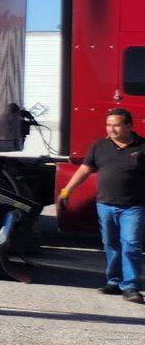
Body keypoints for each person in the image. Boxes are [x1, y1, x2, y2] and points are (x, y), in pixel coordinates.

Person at [58, 107, 145, 304]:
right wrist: (67, 190)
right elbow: (84, 169)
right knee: (111, 245)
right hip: (105, 205)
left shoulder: (142, 147)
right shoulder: (99, 145)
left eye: (116, 125)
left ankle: (130, 286)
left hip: (134, 207)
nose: (111, 130)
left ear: (130, 126)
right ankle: (113, 281)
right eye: (108, 125)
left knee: (131, 244)